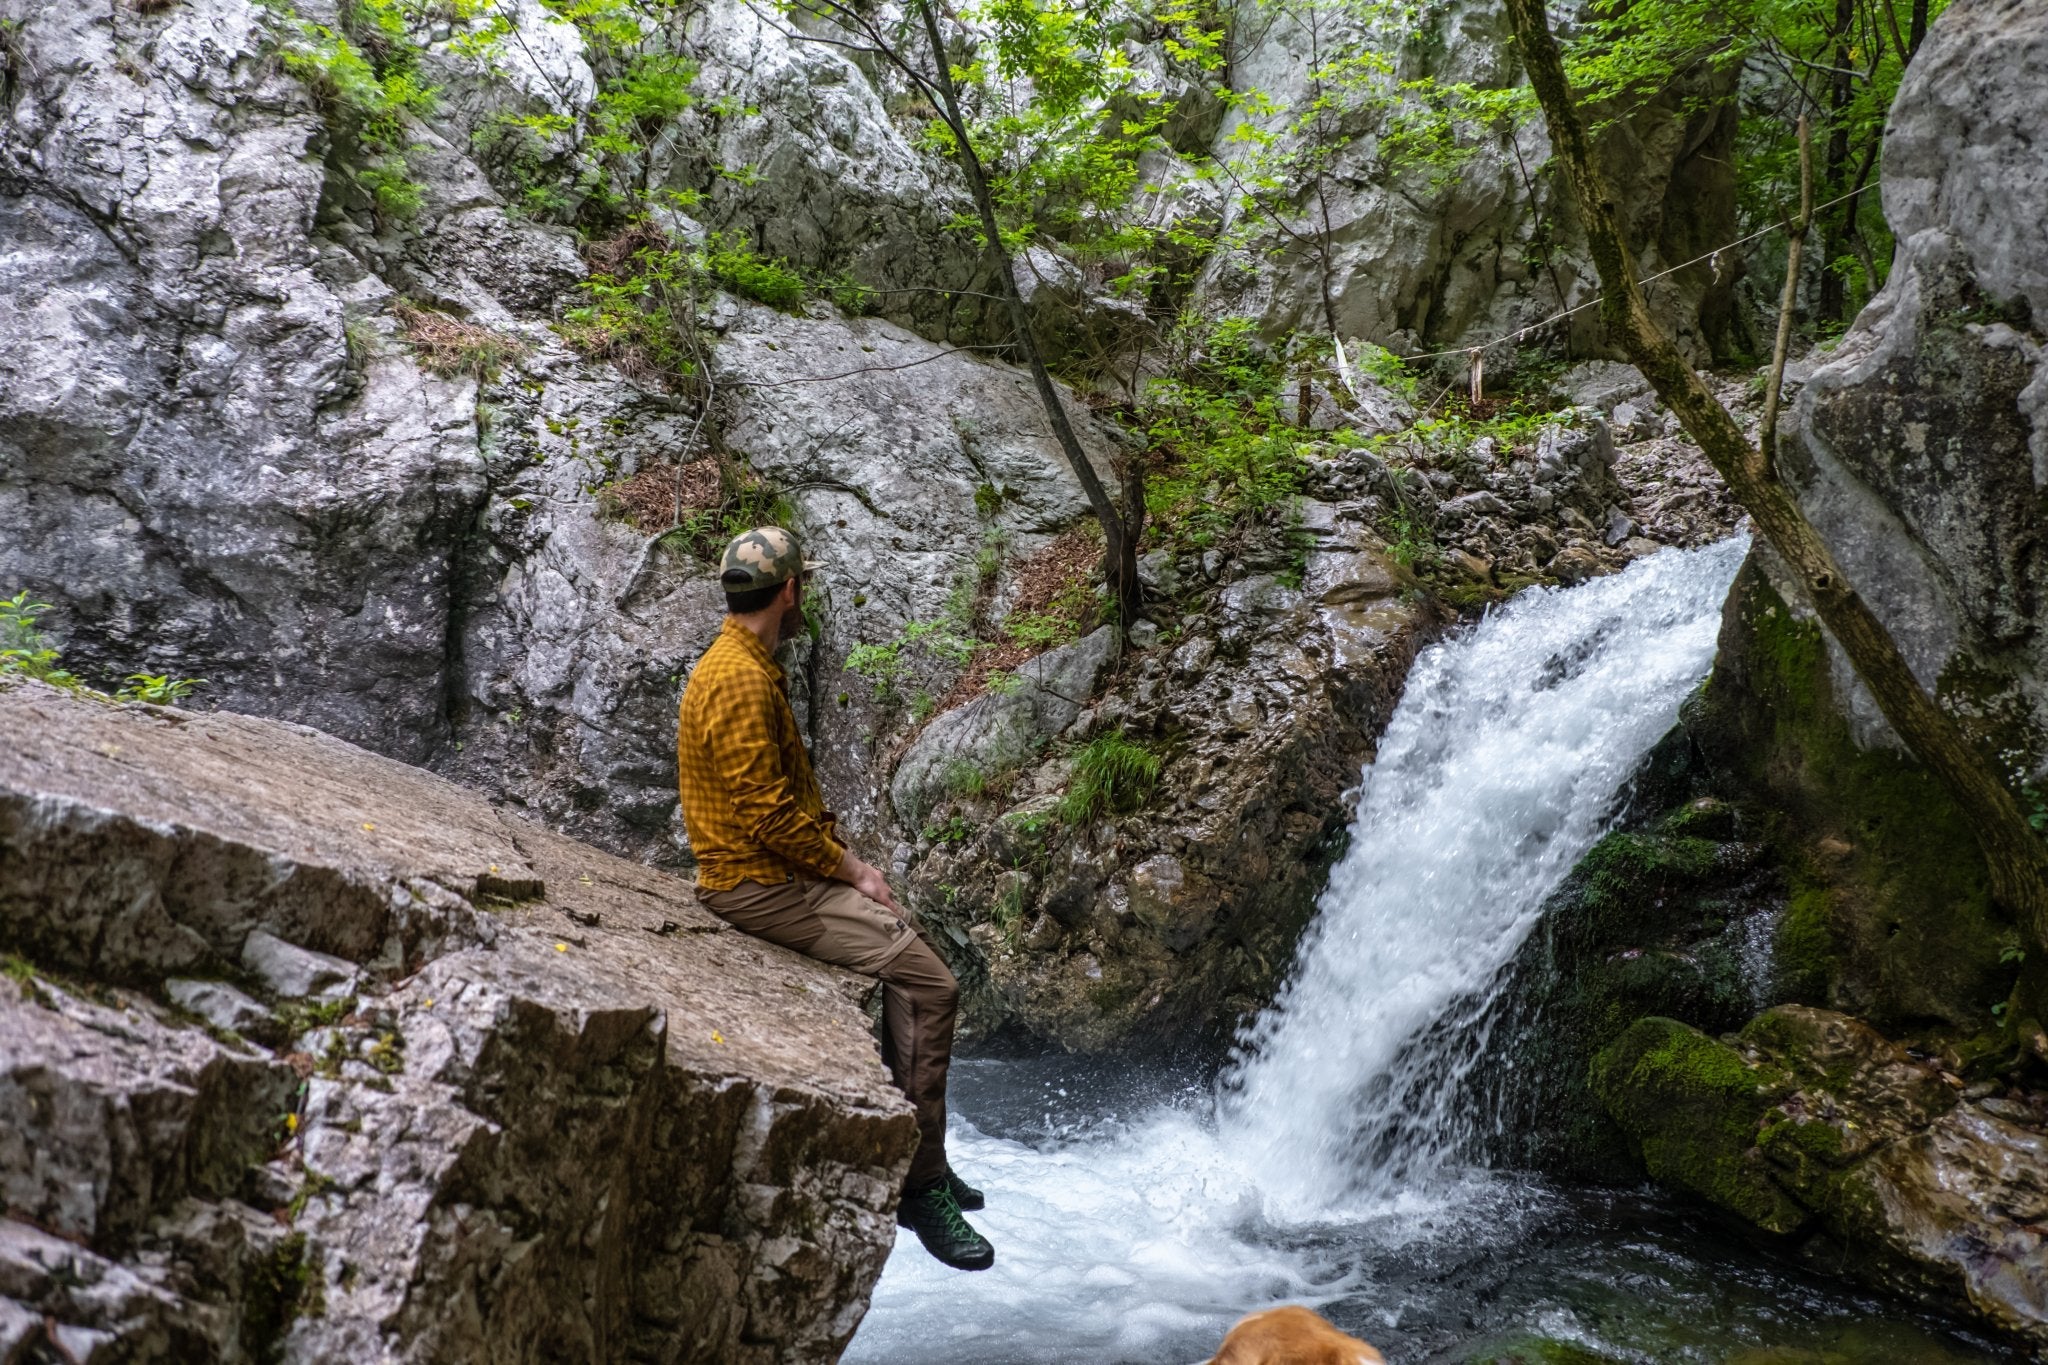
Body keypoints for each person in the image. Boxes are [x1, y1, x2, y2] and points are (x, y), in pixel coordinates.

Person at [675, 526, 995, 1272]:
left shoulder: (739, 662)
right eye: (802, 587)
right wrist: (852, 870)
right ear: (788, 592)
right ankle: (919, 1188)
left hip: (768, 873)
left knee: (904, 939)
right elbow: (768, 815)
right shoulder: (742, 681)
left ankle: (922, 1155)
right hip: (759, 886)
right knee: (932, 982)